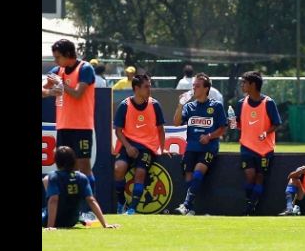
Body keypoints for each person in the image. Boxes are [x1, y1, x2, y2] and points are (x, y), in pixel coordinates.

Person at [41, 39, 97, 195]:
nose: (55, 61)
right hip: (63, 126)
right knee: (64, 168)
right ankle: (68, 207)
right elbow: (43, 89)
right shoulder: (58, 70)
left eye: (58, 57)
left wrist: (60, 84)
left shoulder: (85, 68)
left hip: (82, 126)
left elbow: (78, 94)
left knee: (84, 166)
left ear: (68, 54)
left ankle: (89, 209)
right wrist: (50, 92)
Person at [172, 73, 228, 215]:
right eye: (193, 86)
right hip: (191, 148)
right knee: (189, 178)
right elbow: (177, 122)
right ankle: (190, 209)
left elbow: (224, 128)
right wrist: (180, 105)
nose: (194, 89)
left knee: (198, 173)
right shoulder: (189, 107)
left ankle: (185, 205)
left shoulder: (216, 106)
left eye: (197, 86)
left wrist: (209, 136)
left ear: (206, 89)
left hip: (208, 148)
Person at [112, 74, 167, 214]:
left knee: (140, 173)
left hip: (147, 147)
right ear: (136, 88)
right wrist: (128, 146)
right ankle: (121, 203)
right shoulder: (125, 105)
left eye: (150, 86)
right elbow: (118, 131)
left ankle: (132, 209)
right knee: (119, 168)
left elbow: (160, 130)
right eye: (146, 87)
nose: (150, 89)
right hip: (128, 144)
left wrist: (163, 149)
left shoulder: (155, 105)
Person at [235, 71, 282, 215]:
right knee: (250, 176)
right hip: (247, 146)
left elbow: (276, 123)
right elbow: (238, 124)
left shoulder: (268, 102)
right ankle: (251, 202)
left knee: (260, 176)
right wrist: (232, 123)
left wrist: (266, 132)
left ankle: (251, 207)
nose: (242, 85)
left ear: (253, 85)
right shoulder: (241, 103)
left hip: (264, 149)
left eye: (244, 83)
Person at [42, 146, 119, 229]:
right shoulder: (81, 177)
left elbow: (53, 199)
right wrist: (105, 224)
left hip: (50, 220)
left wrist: (50, 226)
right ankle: (82, 218)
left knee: (46, 180)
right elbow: (91, 200)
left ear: (56, 161)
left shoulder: (54, 176)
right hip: (71, 221)